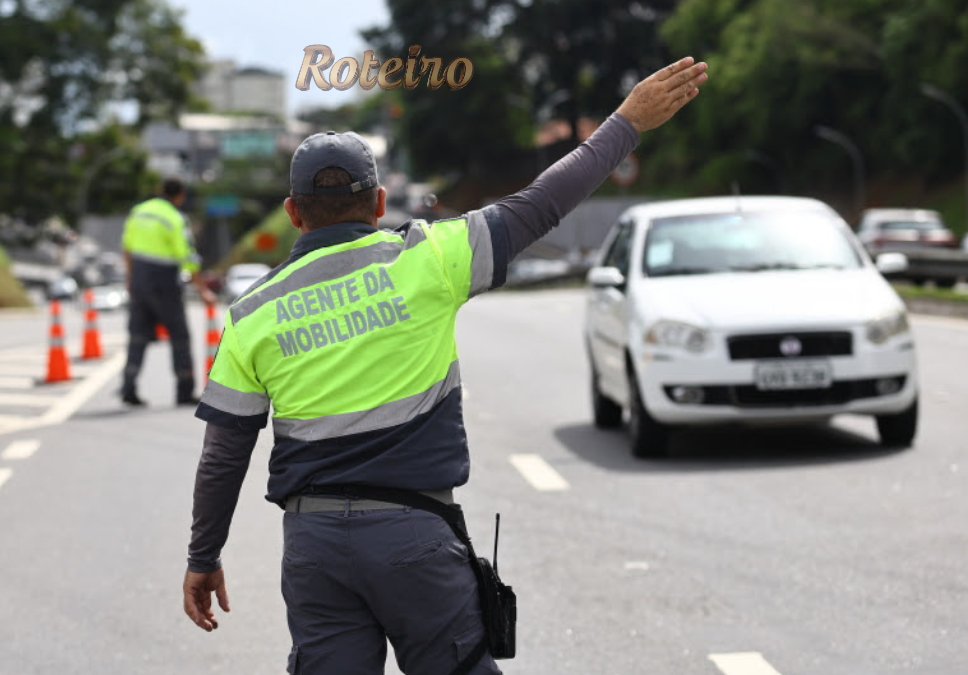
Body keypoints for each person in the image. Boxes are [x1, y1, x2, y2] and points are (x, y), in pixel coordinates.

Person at [182, 57, 709, 674]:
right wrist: (625, 122)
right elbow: (544, 202)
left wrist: (203, 556)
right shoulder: (429, 257)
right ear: (379, 202)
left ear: (293, 214)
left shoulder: (251, 313)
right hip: (414, 538)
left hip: (313, 549)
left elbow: (224, 454)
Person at [120, 176, 217, 406]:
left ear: (159, 190)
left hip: (140, 282)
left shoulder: (139, 211)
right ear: (180, 196)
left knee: (137, 337)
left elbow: (127, 248)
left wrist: (131, 279)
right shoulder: (175, 218)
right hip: (165, 284)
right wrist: (203, 290)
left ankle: (128, 388)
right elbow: (188, 258)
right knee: (180, 338)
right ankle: (184, 391)